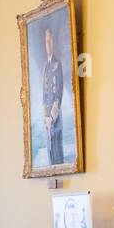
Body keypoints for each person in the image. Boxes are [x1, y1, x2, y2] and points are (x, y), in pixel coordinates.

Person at [42, 26, 64, 165]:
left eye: (50, 41)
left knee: (57, 149)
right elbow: (44, 94)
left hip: (55, 114)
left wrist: (51, 116)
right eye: (46, 42)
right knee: (50, 149)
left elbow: (59, 91)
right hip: (47, 117)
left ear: (53, 42)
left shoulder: (58, 63)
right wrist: (45, 116)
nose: (48, 44)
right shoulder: (45, 66)